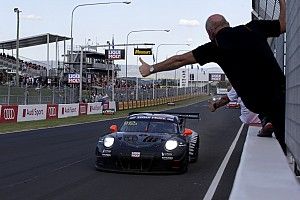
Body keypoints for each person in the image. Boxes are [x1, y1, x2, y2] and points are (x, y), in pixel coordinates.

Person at [139, 0, 286, 152]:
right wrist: (282, 2)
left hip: (257, 101)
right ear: (227, 23)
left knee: (277, 135)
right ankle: (268, 121)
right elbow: (283, 25)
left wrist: (150, 68)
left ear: (210, 33)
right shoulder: (253, 28)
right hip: (281, 91)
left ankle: (267, 121)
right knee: (287, 133)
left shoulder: (214, 46)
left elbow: (179, 59)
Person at [208, 87, 275, 136]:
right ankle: (267, 122)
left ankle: (266, 125)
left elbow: (226, 99)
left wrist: (215, 106)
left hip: (251, 119)